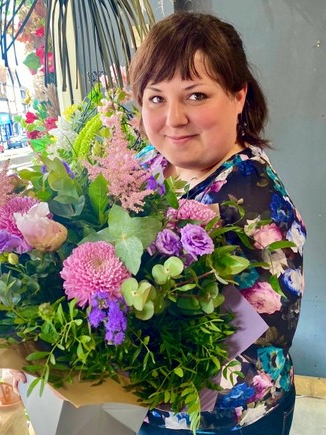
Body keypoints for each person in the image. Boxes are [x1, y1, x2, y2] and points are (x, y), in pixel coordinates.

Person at [129, 11, 306, 435]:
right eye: (156, 98)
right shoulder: (147, 165)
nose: (173, 118)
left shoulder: (258, 205)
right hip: (145, 405)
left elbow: (262, 337)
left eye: (195, 96)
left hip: (226, 418)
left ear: (238, 95)